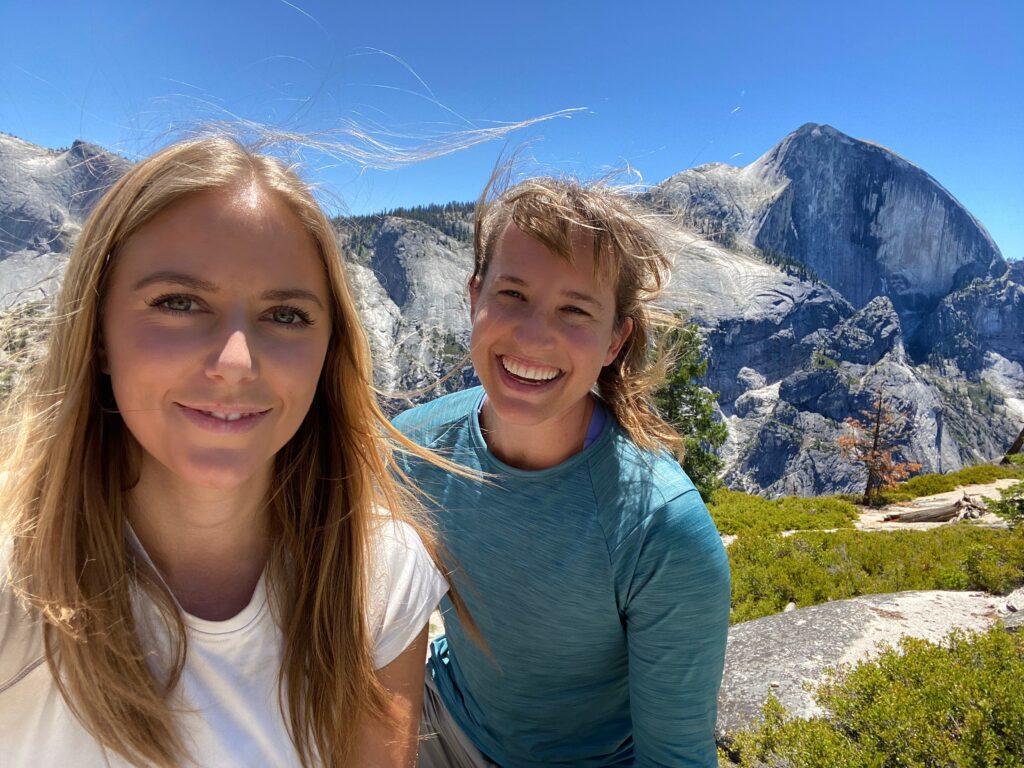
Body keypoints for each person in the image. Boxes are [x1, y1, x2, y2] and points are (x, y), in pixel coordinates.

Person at [0, 136, 458, 767]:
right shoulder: (15, 583)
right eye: (179, 303)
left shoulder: (377, 579)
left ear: (330, 352)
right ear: (97, 334)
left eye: (287, 315)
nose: (235, 364)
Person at [393, 177, 732, 767]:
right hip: (443, 724)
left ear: (614, 340)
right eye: (512, 294)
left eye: (575, 309)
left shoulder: (660, 529)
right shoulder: (415, 448)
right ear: (475, 298)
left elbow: (674, 759)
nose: (532, 335)